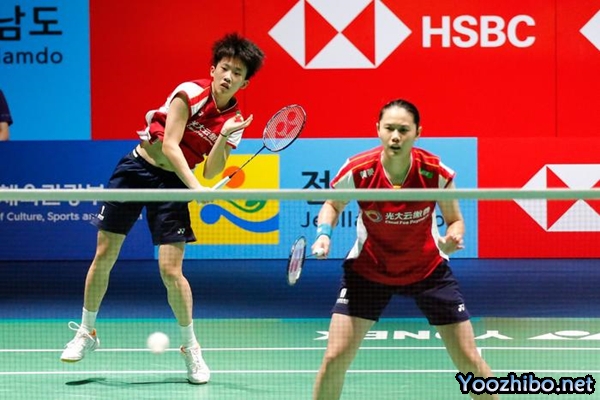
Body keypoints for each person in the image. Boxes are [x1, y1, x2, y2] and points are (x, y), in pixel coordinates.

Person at [60, 33, 265, 385]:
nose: (228, 76)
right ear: (213, 69)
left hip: (174, 183)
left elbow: (213, 170)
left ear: (245, 82)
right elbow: (170, 145)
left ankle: (191, 348)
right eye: (224, 68)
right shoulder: (189, 93)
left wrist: (222, 137)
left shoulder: (234, 121)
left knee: (171, 270)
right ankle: (86, 332)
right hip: (137, 169)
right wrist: (196, 188)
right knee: (104, 254)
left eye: (237, 73)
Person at [311, 99, 499, 399]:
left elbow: (455, 220)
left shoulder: (434, 172)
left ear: (417, 132)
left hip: (427, 271)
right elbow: (332, 205)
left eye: (403, 130)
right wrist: (324, 235)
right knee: (334, 358)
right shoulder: (359, 170)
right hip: (369, 272)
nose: (395, 137)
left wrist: (452, 238)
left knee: (470, 361)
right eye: (389, 129)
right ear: (378, 129)